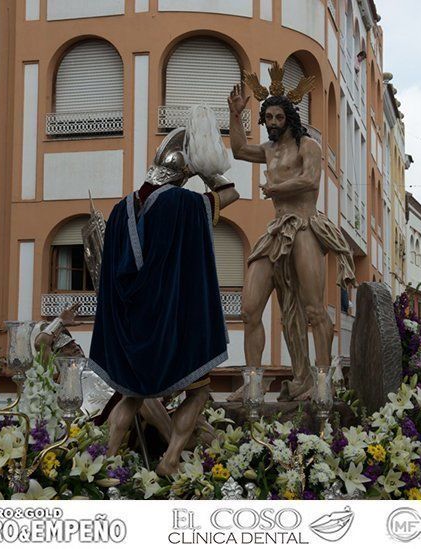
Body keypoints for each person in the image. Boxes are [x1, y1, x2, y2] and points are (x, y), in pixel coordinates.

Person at [89, 113, 240, 475]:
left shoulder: (120, 206)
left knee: (131, 393)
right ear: (183, 171)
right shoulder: (180, 204)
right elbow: (229, 193)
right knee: (199, 391)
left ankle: (108, 465)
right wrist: (206, 166)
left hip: (129, 331)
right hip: (166, 330)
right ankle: (170, 461)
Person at [231, 64, 357, 400]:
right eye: (267, 118)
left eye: (277, 118)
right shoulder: (269, 150)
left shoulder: (308, 146)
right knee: (249, 309)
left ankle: (321, 380)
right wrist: (235, 115)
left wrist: (276, 188)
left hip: (303, 226)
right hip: (276, 230)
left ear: (289, 118)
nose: (272, 123)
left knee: (315, 310)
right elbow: (239, 150)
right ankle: (253, 381)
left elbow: (310, 181)